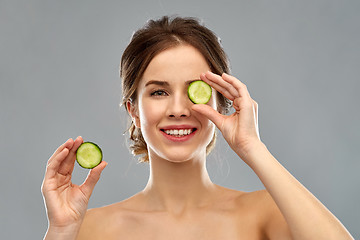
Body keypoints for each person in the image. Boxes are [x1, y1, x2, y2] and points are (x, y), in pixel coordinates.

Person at [41, 16, 354, 240]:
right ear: (133, 110)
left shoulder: (266, 213)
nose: (178, 110)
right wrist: (60, 232)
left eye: (194, 92)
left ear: (221, 101)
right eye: (159, 92)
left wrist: (253, 148)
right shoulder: (89, 229)